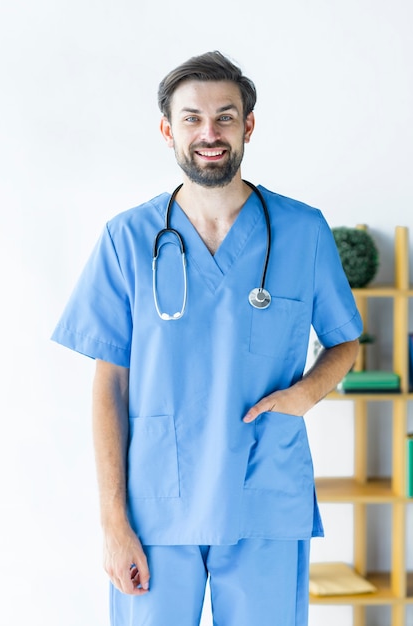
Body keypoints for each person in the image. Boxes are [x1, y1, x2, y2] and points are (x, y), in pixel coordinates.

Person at [52, 51, 362, 626]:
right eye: (192, 118)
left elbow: (345, 342)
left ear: (248, 125)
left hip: (263, 494)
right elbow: (109, 383)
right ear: (168, 129)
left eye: (225, 116)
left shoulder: (302, 230)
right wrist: (113, 523)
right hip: (157, 506)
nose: (209, 133)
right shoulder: (127, 238)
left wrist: (307, 393)